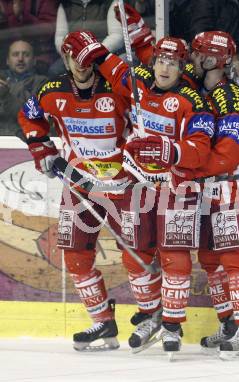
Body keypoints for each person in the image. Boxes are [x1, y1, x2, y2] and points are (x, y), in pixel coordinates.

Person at [63, 27, 215, 355]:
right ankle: (151, 314)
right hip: (136, 185)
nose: (164, 68)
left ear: (181, 68)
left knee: (174, 256)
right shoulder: (137, 83)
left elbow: (201, 149)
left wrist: (169, 150)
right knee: (136, 256)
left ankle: (172, 325)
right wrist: (94, 48)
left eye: (172, 64)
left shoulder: (192, 101)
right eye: (160, 60)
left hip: (176, 187)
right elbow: (109, 65)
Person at [17, 31, 132, 352]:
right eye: (73, 60)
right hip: (79, 184)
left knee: (138, 254)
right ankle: (102, 321)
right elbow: (28, 117)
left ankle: (154, 315)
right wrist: (42, 150)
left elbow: (144, 122)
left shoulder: (116, 89)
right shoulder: (52, 90)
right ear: (66, 60)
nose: (80, 66)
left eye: (85, 60)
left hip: (122, 184)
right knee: (76, 254)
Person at [184, 31, 239, 360]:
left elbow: (229, 154)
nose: (191, 59)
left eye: (196, 54)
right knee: (210, 259)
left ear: (211, 59)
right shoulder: (200, 91)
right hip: (208, 188)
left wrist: (190, 171)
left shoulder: (230, 97)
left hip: (234, 186)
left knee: (234, 259)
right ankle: (230, 324)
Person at [51, 0, 123, 76]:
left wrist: (93, 53)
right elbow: (60, 37)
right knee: (55, 70)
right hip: (74, 56)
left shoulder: (110, 2)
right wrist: (71, 55)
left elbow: (117, 35)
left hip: (102, 53)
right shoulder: (66, 4)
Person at [0, 39, 48, 137]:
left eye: (26, 54)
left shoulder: (42, 83)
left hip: (26, 140)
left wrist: (6, 96)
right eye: (15, 54)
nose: (20, 59)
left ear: (34, 61)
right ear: (7, 61)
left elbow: (33, 116)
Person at [0, 0, 60, 71]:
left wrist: (21, 15)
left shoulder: (42, 2)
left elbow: (47, 32)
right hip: (6, 60)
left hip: (40, 59)